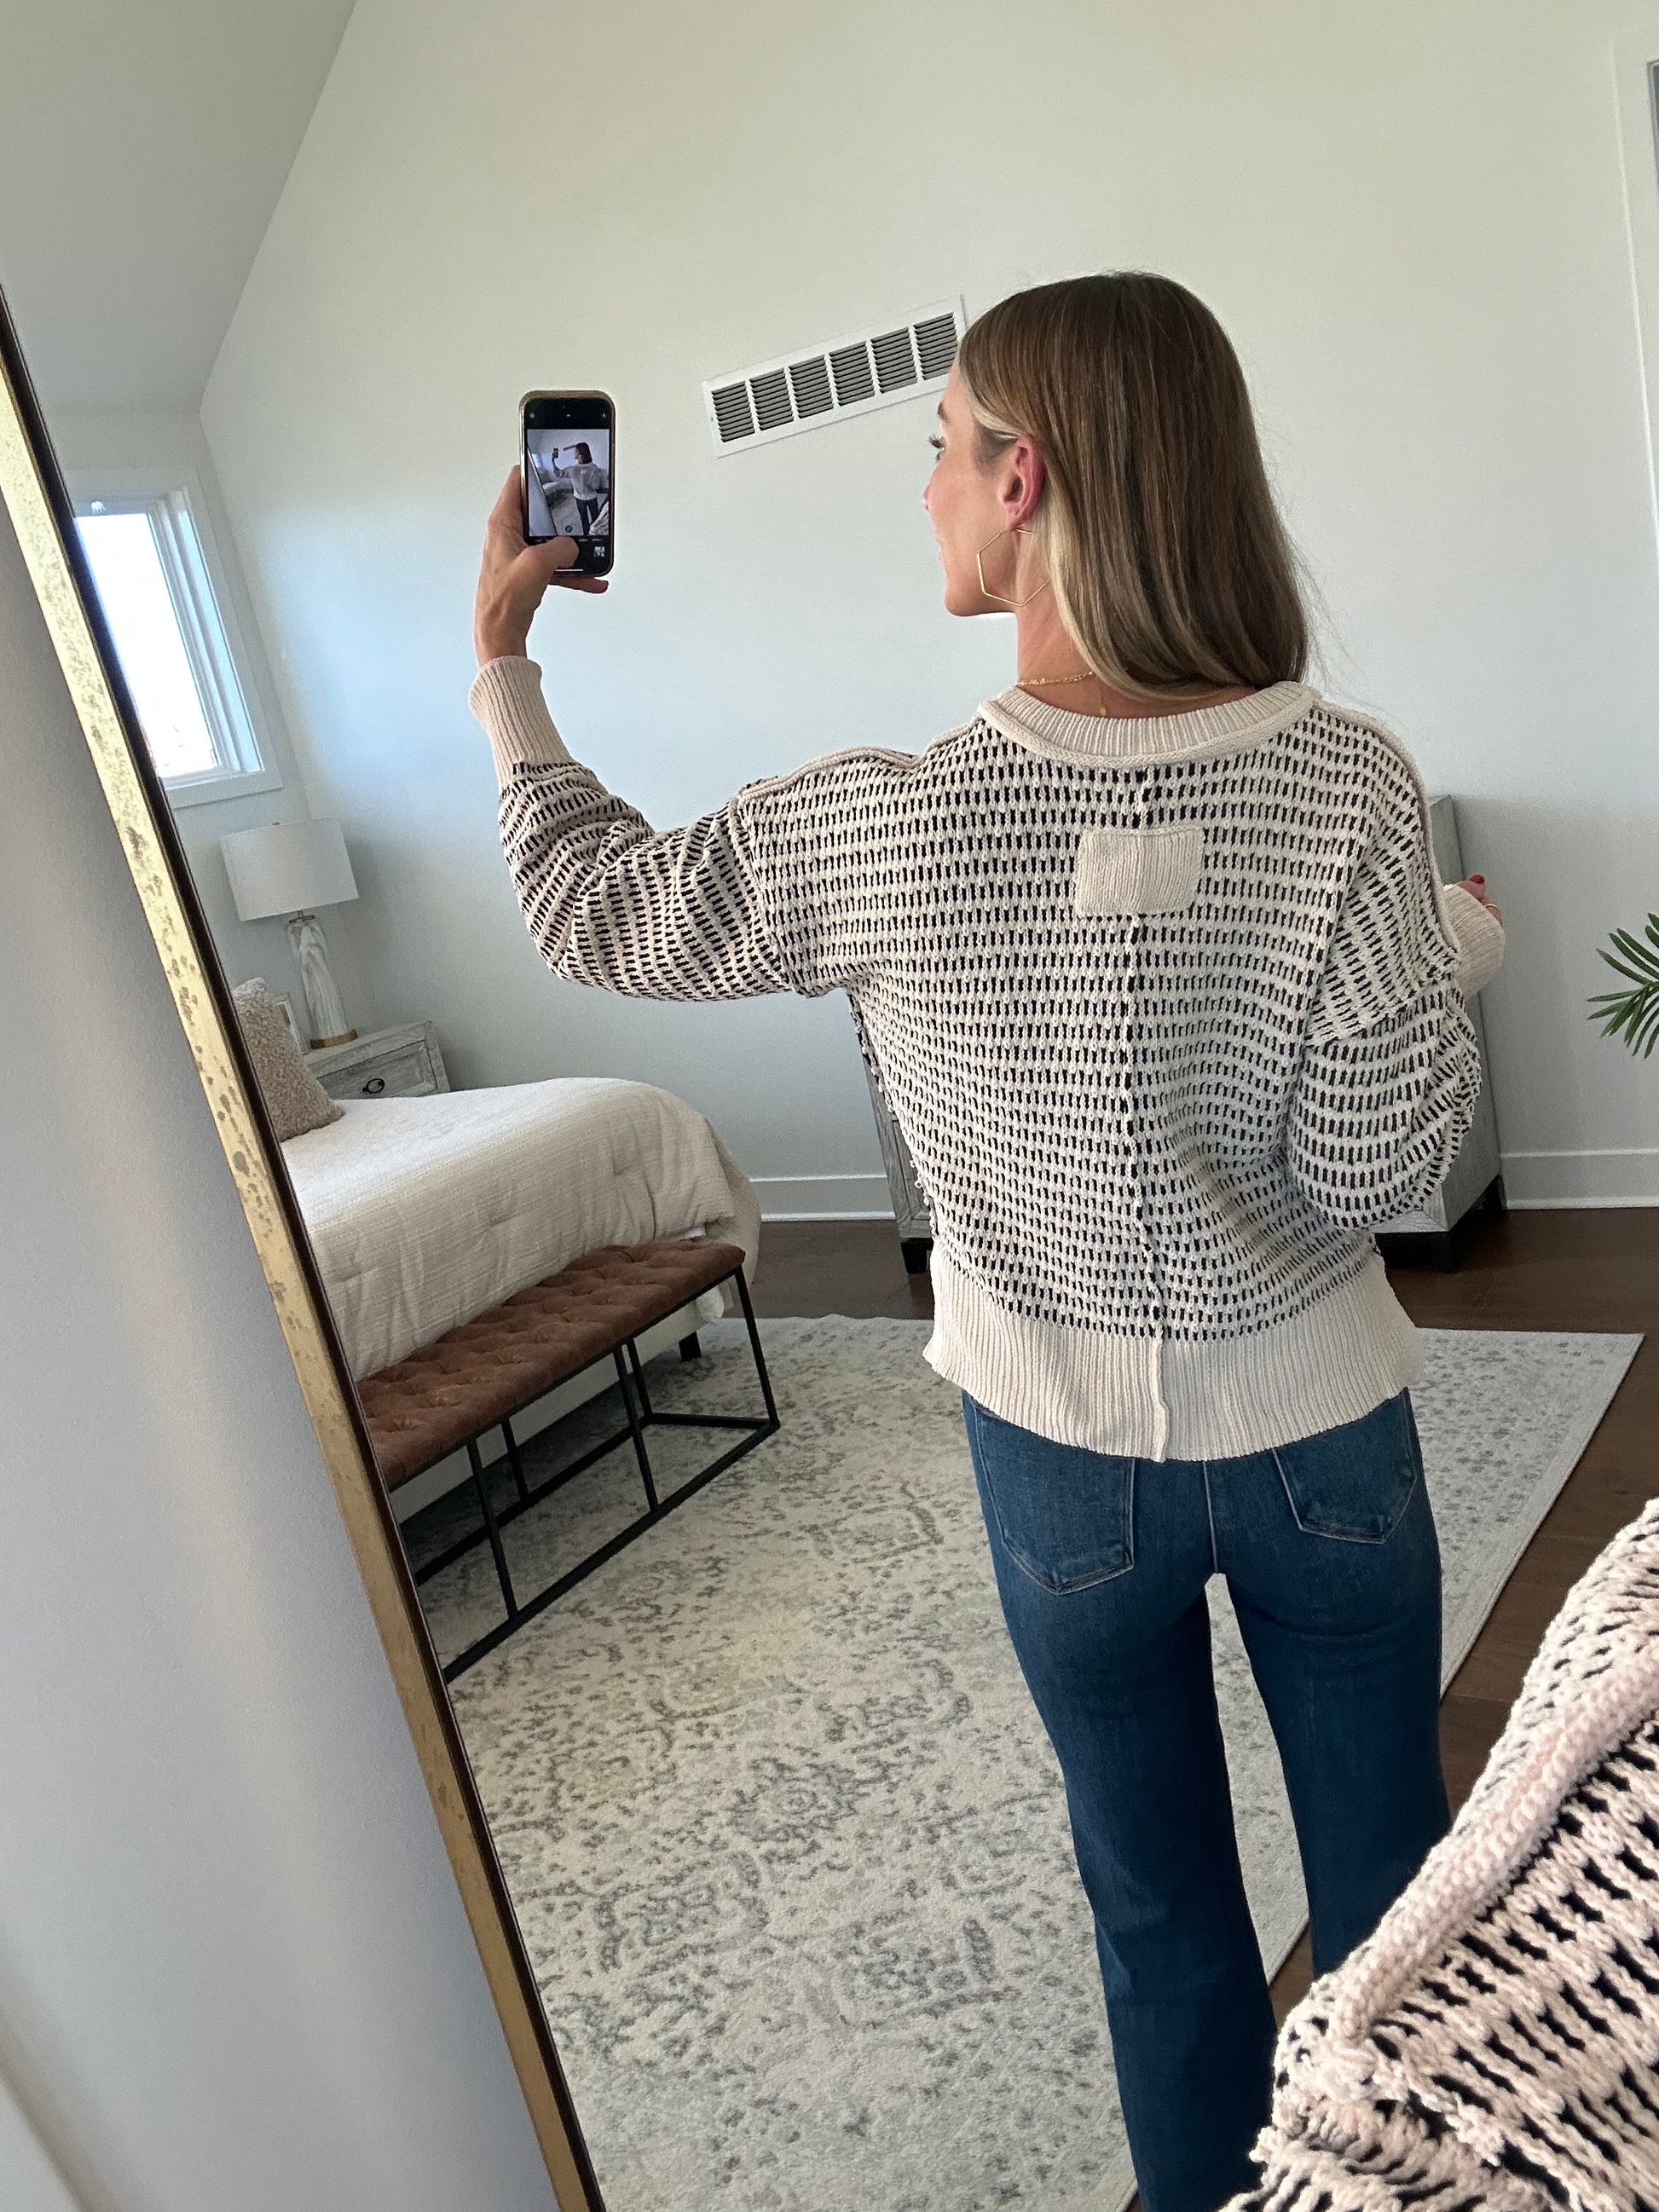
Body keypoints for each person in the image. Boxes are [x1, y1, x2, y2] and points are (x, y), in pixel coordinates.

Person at [469, 271, 1506, 2212]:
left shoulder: (890, 825)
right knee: (1398, 1896)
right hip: (1324, 1440)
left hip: (1060, 1464)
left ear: (1024, 481)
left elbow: (596, 906)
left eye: (939, 445)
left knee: (1158, 1915)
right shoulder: (1349, 781)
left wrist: (504, 657)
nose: (927, 483)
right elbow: (1380, 1160)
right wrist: (1442, 950)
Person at [565, 440, 607, 534]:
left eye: (575, 451)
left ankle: (586, 535)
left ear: (580, 454)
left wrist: (553, 461)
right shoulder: (593, 467)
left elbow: (558, 473)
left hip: (580, 498)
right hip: (591, 497)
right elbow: (596, 486)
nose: (573, 453)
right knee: (596, 518)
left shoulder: (572, 469)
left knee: (584, 518)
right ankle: (595, 534)